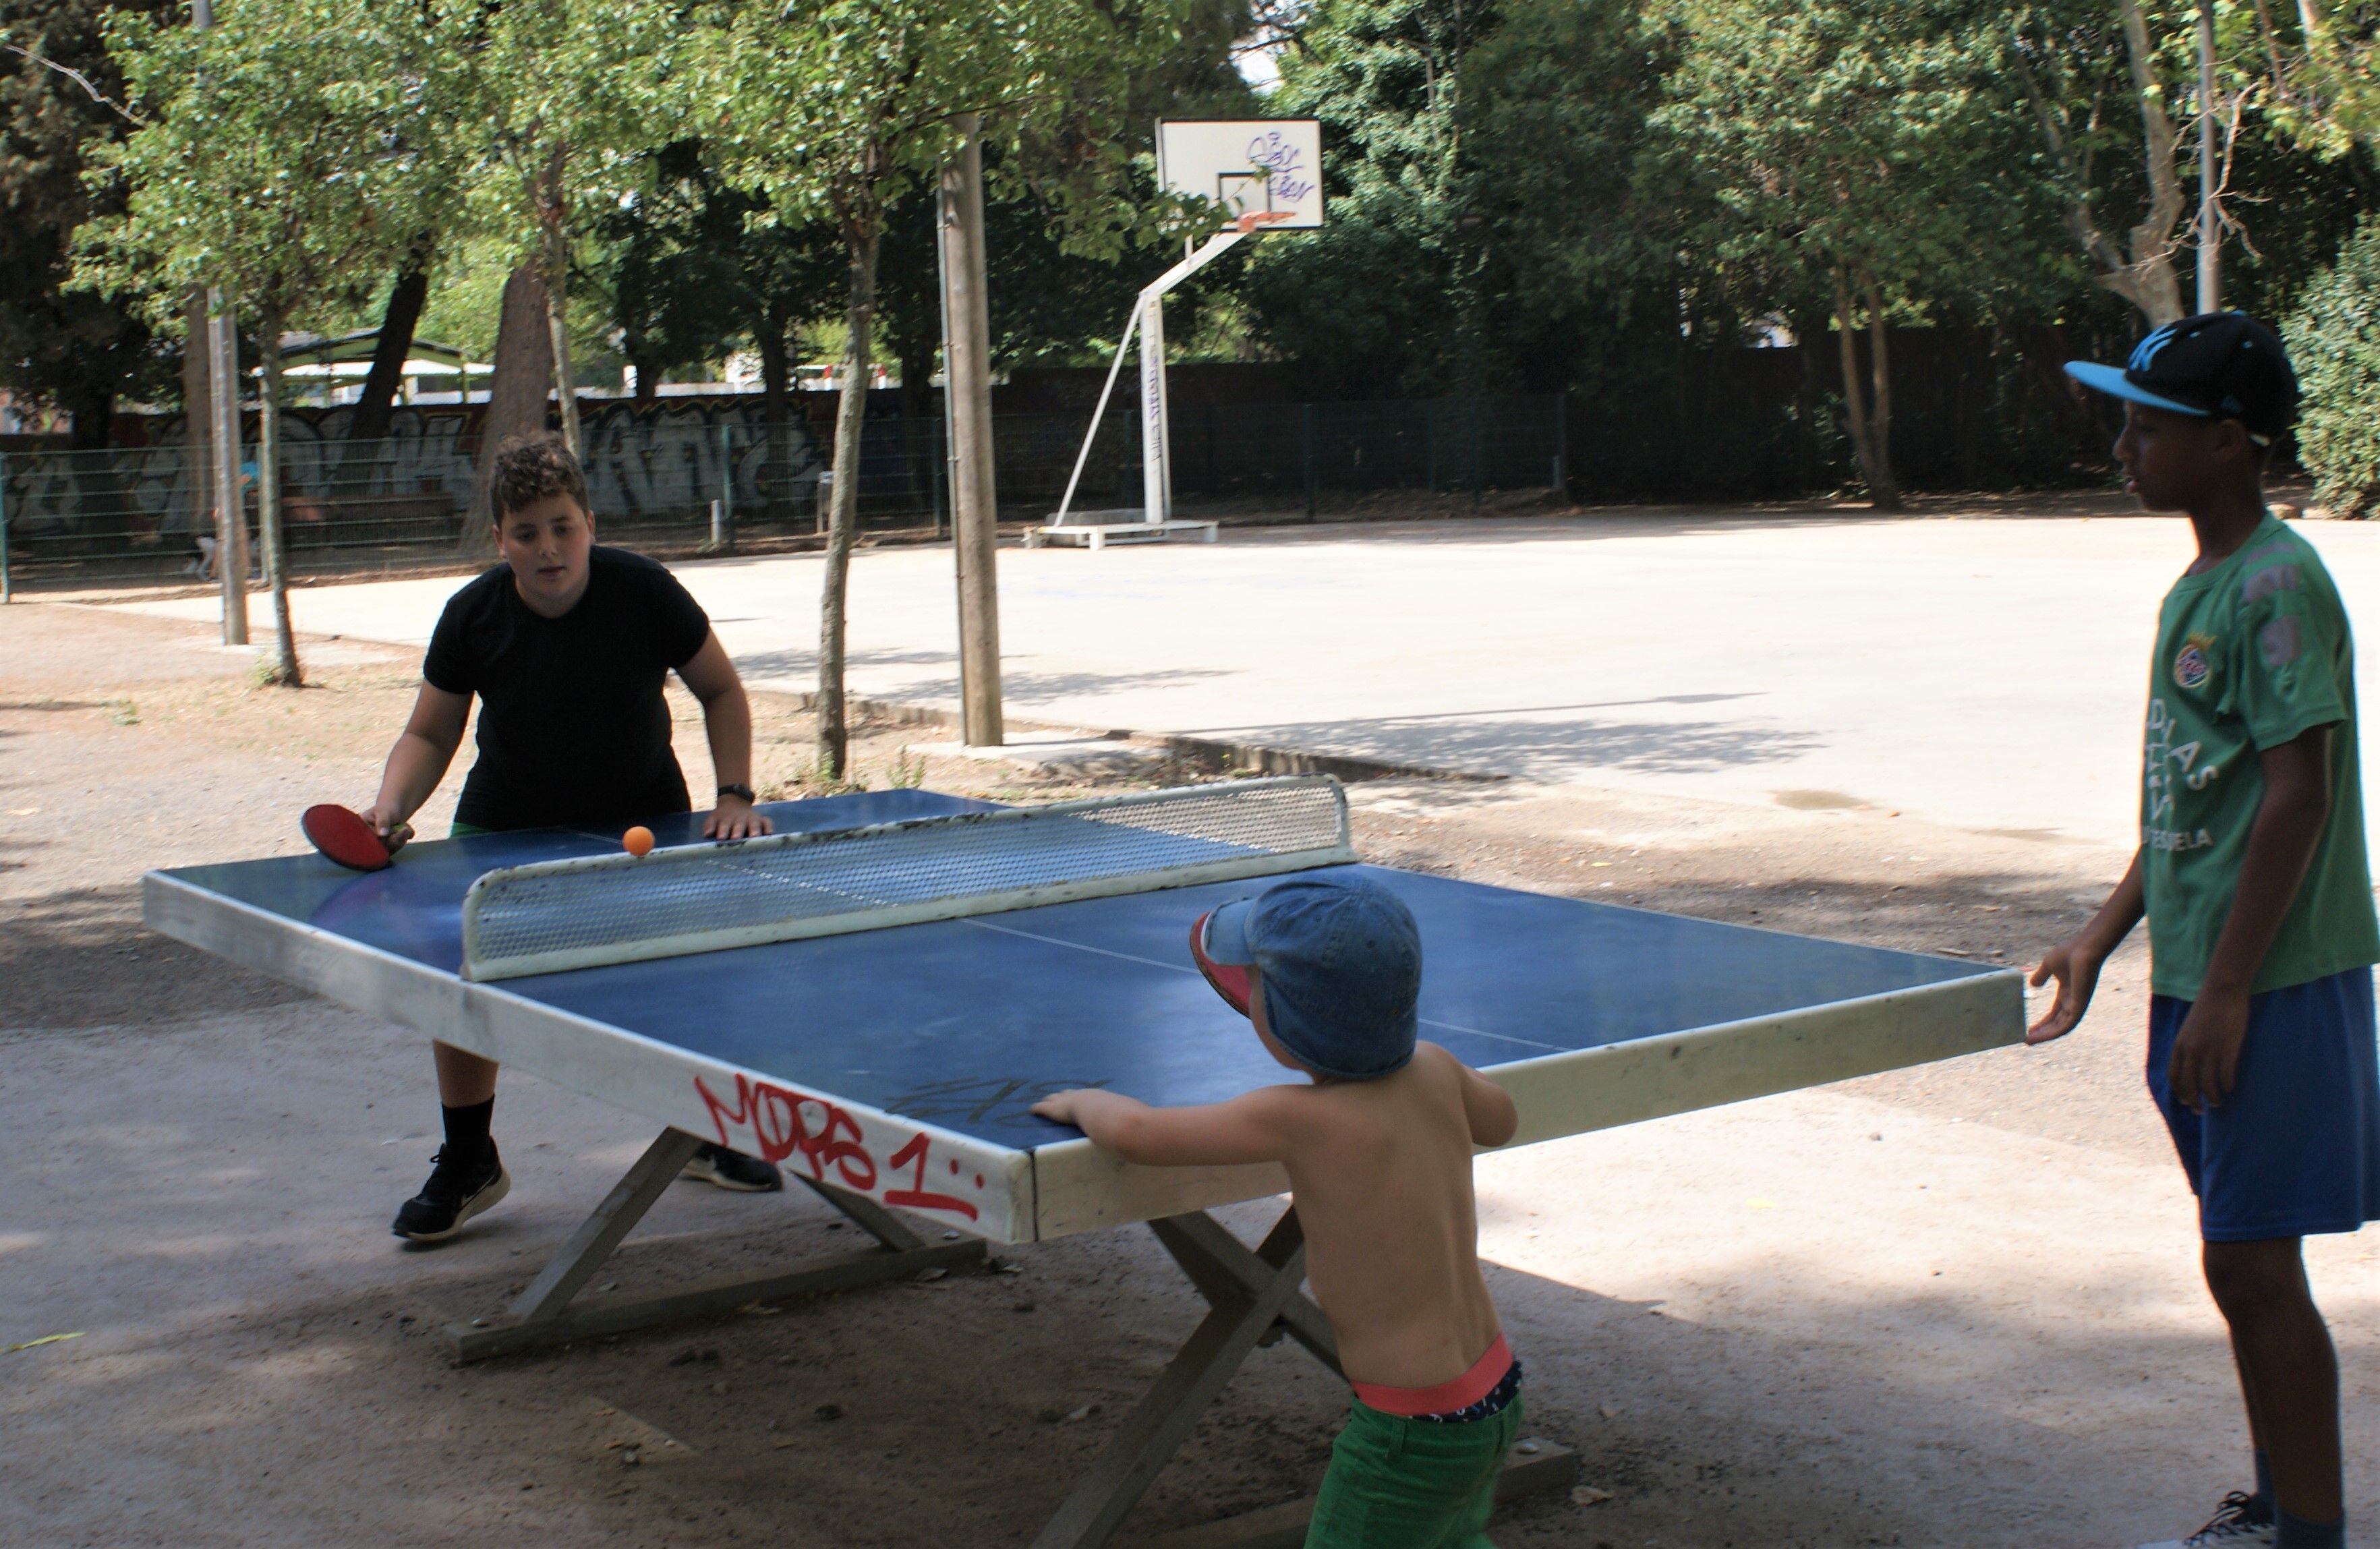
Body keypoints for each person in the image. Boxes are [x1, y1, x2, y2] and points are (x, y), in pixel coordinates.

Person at [2031, 313, 2380, 1549]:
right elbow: (2195, 796)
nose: (2123, 445)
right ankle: (2279, 1505)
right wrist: (2100, 932)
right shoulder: (2202, 580)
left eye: (2145, 425)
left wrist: (2228, 991)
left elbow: (2298, 791)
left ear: (2225, 443)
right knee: (2238, 1261)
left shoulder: (2277, 583)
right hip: (2204, 972)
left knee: (2246, 1265)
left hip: (2270, 979)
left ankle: (2308, 1531)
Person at [362, 432, 783, 1242]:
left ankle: (703, 1130)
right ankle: (469, 1157)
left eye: (562, 526)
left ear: (590, 522)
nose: (548, 548)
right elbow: (429, 732)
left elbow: (722, 689)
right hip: (505, 819)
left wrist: (733, 792)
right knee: (465, 976)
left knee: (684, 976)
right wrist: (388, 806)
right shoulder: (473, 614)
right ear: (500, 539)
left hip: (643, 815)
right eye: (527, 532)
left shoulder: (645, 590)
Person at [1033, 875, 1523, 1547]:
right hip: (1494, 1388)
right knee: (1449, 1538)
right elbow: (1501, 1120)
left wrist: (1084, 1101)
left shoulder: (1295, 1118)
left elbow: (1137, 1136)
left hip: (1410, 1430)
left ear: (1288, 1021)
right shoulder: (1436, 1065)